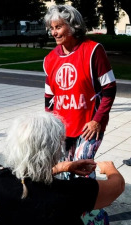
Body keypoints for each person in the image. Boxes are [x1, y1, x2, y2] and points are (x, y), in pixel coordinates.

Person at [0, 112, 125, 225]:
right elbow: (117, 186)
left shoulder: (1, 179)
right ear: (53, 150)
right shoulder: (69, 192)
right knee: (99, 215)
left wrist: (62, 167)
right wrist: (110, 168)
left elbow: (30, 176)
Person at [43, 5, 117, 176]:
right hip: (62, 128)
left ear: (72, 26)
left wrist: (97, 120)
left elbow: (109, 88)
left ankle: (90, 201)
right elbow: (49, 98)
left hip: (89, 125)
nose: (54, 32)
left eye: (58, 27)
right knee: (65, 170)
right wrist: (49, 125)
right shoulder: (50, 59)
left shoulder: (93, 51)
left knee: (82, 168)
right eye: (51, 28)